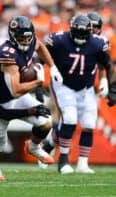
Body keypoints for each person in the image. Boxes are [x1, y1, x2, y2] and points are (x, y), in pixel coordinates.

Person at [0, 16, 63, 181]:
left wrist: (53, 67)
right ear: (12, 36)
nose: (26, 41)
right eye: (21, 38)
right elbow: (15, 90)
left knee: (46, 121)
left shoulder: (32, 41)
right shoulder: (7, 53)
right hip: (2, 102)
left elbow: (40, 46)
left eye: (28, 37)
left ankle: (33, 146)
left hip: (19, 96)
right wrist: (39, 82)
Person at [39, 14, 111, 174]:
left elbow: (103, 64)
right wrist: (45, 73)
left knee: (89, 124)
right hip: (64, 84)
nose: (94, 31)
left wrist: (105, 81)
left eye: (96, 27)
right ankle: (63, 160)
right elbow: (42, 54)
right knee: (69, 119)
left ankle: (80, 162)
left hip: (86, 87)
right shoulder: (60, 40)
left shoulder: (99, 43)